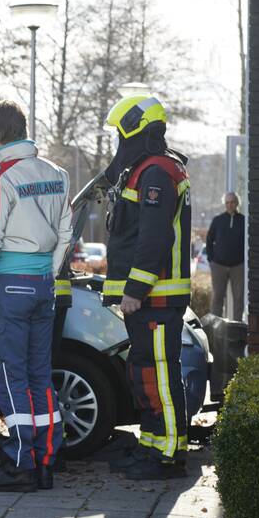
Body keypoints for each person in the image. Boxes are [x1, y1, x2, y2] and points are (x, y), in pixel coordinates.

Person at [0, 100, 72, 493]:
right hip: (44, 283)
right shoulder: (57, 174)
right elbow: (65, 235)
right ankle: (45, 460)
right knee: (40, 374)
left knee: (11, 377)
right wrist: (47, 270)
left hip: (8, 286)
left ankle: (20, 463)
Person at [101, 94, 192, 480]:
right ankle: (152, 444)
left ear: (136, 129)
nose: (117, 144)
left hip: (156, 296)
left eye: (120, 134)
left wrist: (135, 290)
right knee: (145, 372)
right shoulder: (143, 169)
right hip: (148, 298)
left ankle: (169, 454)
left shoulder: (157, 172)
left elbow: (152, 240)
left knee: (159, 372)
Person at [206, 192, 245, 321]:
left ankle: (238, 327)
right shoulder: (218, 220)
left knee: (238, 298)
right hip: (219, 266)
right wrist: (211, 260)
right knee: (217, 297)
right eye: (227, 202)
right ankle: (215, 328)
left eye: (232, 202)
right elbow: (209, 240)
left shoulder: (244, 220)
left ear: (237, 203)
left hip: (238, 266)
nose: (230, 205)